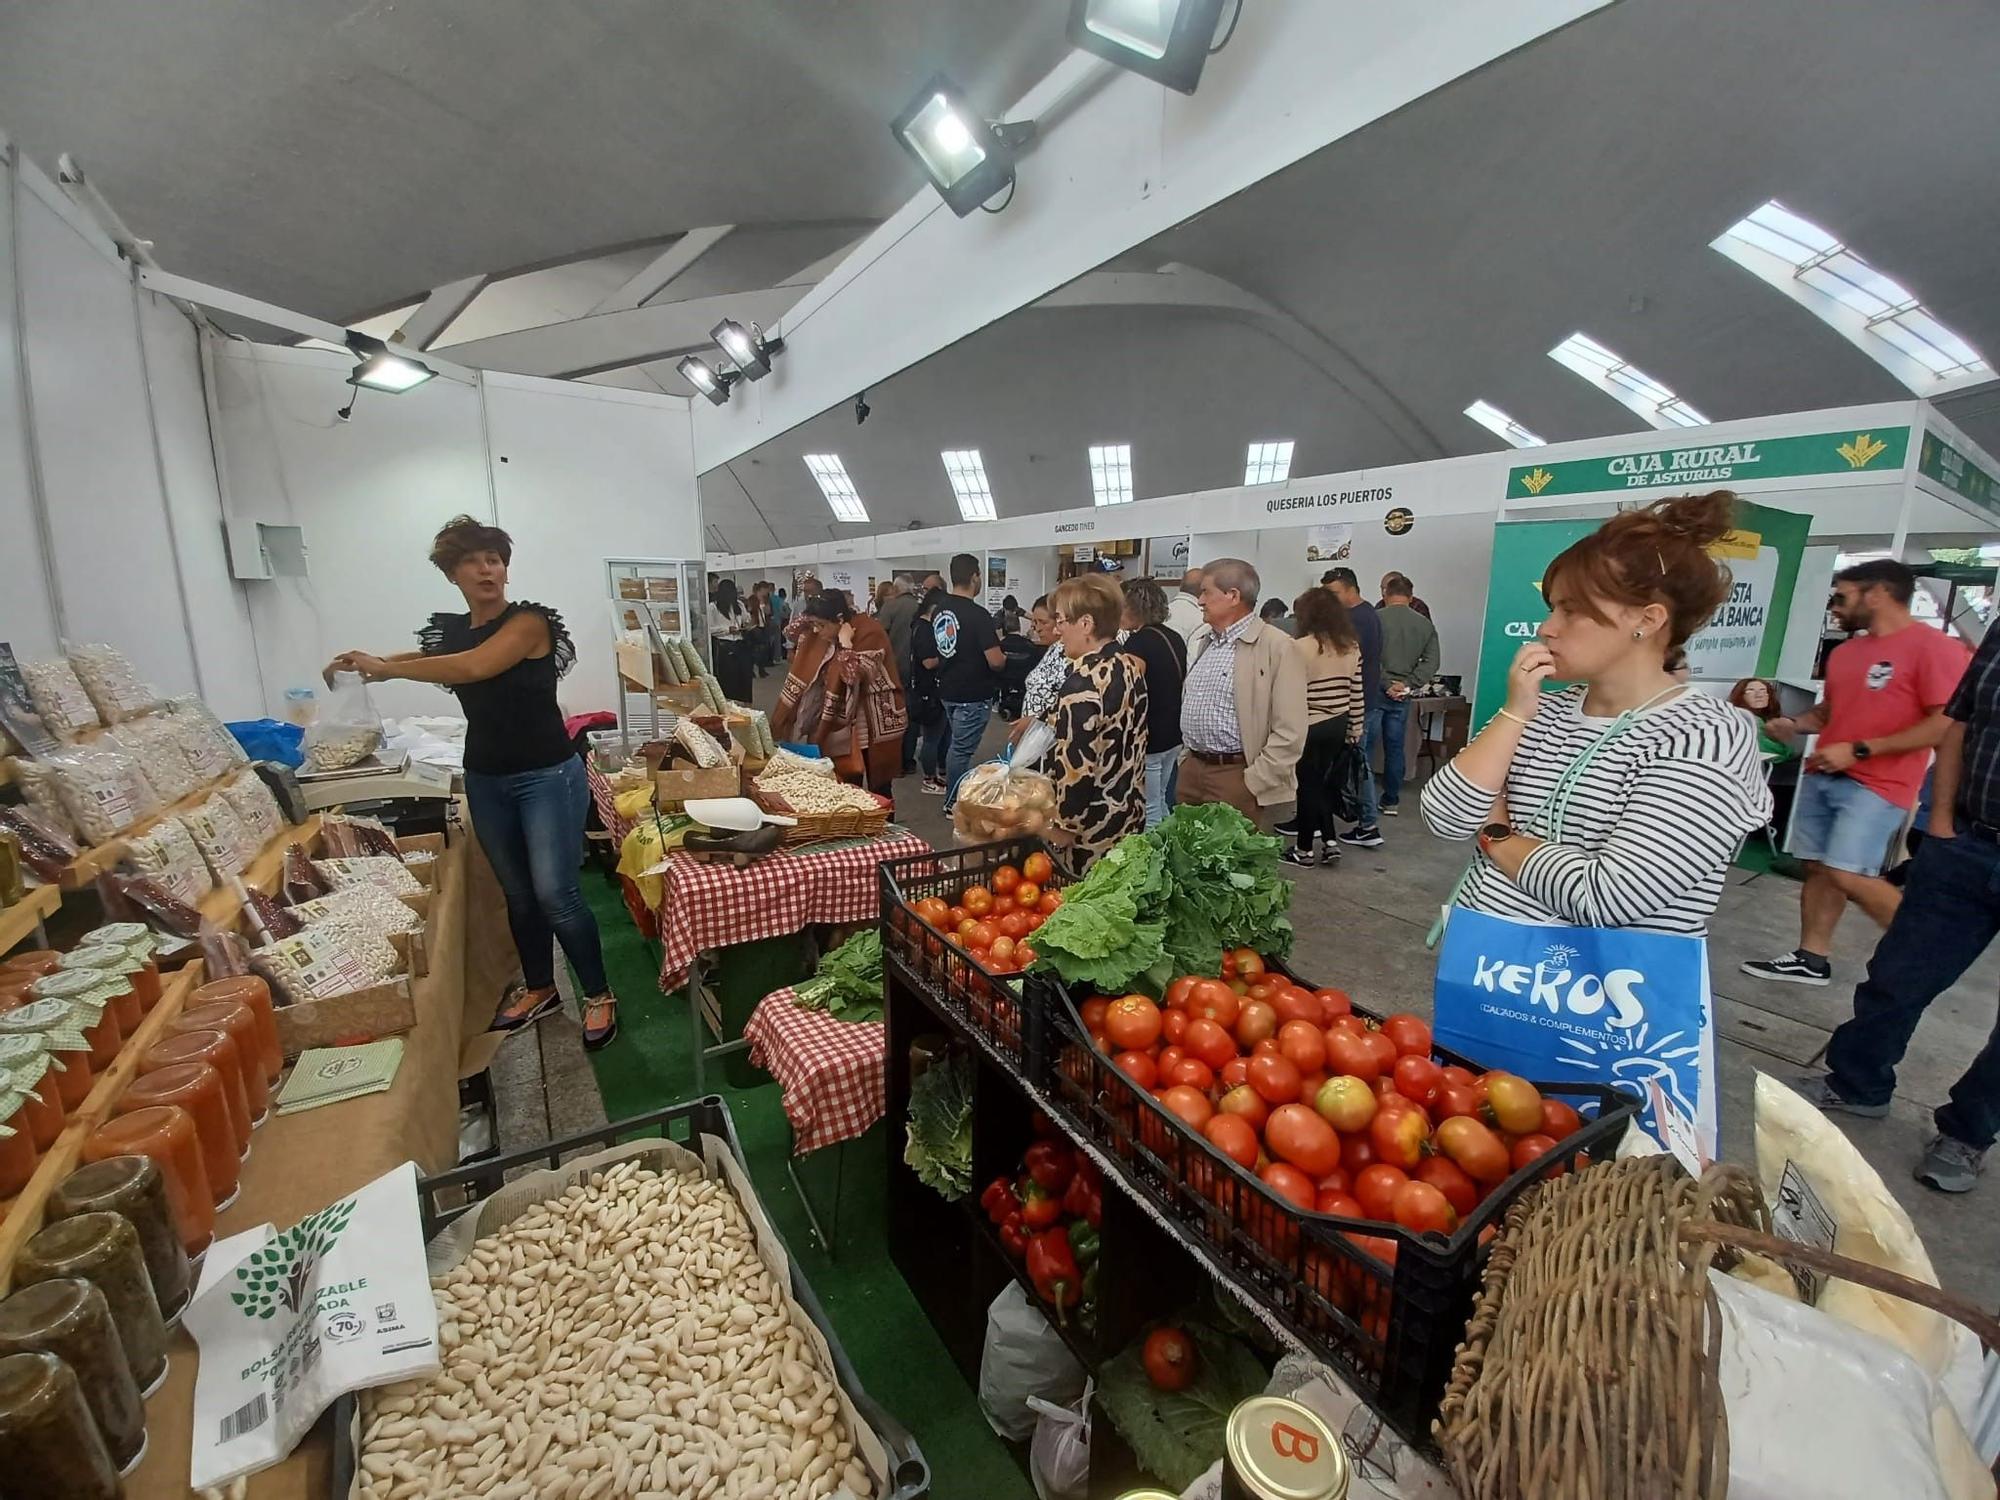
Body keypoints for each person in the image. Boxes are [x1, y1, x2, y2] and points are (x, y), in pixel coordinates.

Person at [1420, 491, 1772, 938]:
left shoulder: (1706, 736)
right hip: (1489, 970)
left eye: (1573, 610)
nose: (1547, 628)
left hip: (1603, 995)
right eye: (1552, 608)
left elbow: (1610, 894)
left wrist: (1497, 834)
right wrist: (1514, 713)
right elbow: (1445, 817)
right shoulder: (1540, 711)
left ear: (1647, 620)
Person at [328, 515, 618, 1049]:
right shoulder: (457, 629)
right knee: (519, 895)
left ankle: (599, 995)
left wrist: (385, 670)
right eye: (473, 562)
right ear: (452, 575)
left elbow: (472, 666)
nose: (487, 570)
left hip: (547, 775)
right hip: (487, 776)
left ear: (506, 568)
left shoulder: (529, 622)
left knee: (557, 894)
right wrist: (364, 663)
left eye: (494, 559)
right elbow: (435, 655)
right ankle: (539, 988)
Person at [1803, 621, 2000, 1192]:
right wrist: (1940, 826)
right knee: (1898, 974)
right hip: (1970, 840)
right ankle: (1856, 1083)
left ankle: (1967, 1132)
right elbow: (1960, 722)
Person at [1741, 559, 1970, 986]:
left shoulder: (1935, 649)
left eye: (1841, 596)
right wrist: (1795, 724)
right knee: (1820, 869)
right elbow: (1832, 711)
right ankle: (1811, 958)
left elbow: (1945, 723)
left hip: (1879, 785)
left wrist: (1861, 750)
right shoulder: (1846, 653)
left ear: (1877, 593)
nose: (1834, 606)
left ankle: (1922, 961)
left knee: (1850, 872)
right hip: (1824, 772)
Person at [1177, 558, 1307, 824]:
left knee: (1231, 862)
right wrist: (1185, 761)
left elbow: (1291, 729)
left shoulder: (1278, 647)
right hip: (1192, 770)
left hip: (1236, 776)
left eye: (1206, 592)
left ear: (1233, 596)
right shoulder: (1206, 641)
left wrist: (1255, 781)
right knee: (1187, 861)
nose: (1200, 600)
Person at [1041, 575, 1149, 876]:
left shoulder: (1082, 685)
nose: (1056, 629)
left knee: (1084, 908)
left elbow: (1075, 766)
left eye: (1061, 620)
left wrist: (1064, 825)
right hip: (1128, 813)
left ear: (1086, 624)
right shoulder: (1128, 667)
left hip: (1091, 830)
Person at [771, 592, 908, 800]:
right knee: (846, 783)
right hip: (841, 721)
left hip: (873, 721)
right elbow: (791, 632)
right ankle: (853, 825)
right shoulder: (828, 630)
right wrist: (813, 611)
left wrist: (846, 644)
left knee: (878, 787)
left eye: (821, 625)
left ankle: (881, 829)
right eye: (814, 624)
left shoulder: (869, 631)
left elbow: (853, 676)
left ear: (840, 619)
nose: (816, 630)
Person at [1287, 588, 1365, 867]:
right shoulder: (1351, 647)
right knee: (1320, 784)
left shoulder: (1300, 647)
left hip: (1309, 724)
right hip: (1339, 723)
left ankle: (1304, 849)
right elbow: (1356, 692)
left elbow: (1291, 694)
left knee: (1307, 786)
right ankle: (1330, 842)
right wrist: (1355, 727)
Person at [932, 553, 1005, 811]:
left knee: (957, 747)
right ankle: (953, 802)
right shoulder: (978, 615)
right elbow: (995, 660)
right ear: (975, 577)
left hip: (948, 689)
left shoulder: (940, 609)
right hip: (972, 693)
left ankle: (952, 797)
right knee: (961, 751)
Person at [1323, 568, 1386, 847]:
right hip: (1360, 700)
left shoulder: (1359, 619)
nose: (1331, 600)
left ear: (1351, 589)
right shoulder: (1368, 614)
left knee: (1357, 765)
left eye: (1334, 593)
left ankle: (1368, 825)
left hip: (1356, 703)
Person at [1119, 578, 1187, 829]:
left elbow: (1127, 690)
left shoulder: (1137, 644)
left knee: (1148, 807)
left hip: (1150, 736)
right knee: (1160, 799)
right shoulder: (1173, 637)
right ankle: (1172, 845)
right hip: (1173, 732)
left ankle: (1156, 858)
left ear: (1133, 608)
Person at [1376, 573, 1441, 818]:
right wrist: (1407, 685)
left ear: (1385, 594)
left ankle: (1362, 803)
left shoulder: (1375, 618)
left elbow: (1364, 656)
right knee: (1395, 748)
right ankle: (1391, 800)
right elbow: (1432, 661)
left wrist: (1385, 682)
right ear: (1411, 597)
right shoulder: (1425, 624)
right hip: (1402, 697)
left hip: (1375, 692)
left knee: (1364, 747)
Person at [909, 589, 950, 794]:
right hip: (928, 691)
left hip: (931, 690)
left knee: (941, 736)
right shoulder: (924, 630)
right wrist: (948, 656)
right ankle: (929, 779)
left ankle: (939, 775)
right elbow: (928, 662)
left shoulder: (922, 627)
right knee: (932, 738)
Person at [1008, 596, 1064, 730]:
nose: (1037, 628)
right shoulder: (1053, 649)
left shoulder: (1068, 655)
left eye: (1043, 622)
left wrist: (1038, 720)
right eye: (1035, 622)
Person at [707, 578, 753, 704]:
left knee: (743, 676)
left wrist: (747, 622)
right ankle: (728, 703)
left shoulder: (739, 604)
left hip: (740, 644)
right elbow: (709, 629)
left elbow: (746, 619)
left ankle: (742, 703)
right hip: (724, 646)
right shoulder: (713, 607)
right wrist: (727, 629)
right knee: (728, 677)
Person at [876, 577, 920, 698]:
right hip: (916, 664)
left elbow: (879, 634)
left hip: (894, 663)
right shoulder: (919, 606)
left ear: (896, 589)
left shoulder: (890, 606)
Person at [1167, 569, 1205, 644]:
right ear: (1203, 590)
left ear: (1181, 585)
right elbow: (1194, 654)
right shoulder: (1202, 619)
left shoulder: (1158, 613)